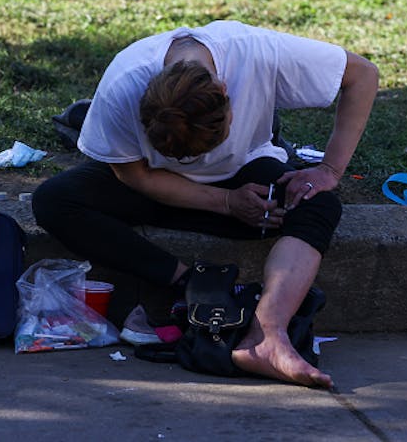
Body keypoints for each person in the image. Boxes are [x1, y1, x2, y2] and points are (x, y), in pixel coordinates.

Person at [32, 20, 378, 388]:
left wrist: (328, 168)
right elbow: (134, 176)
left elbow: (362, 75)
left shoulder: (257, 51)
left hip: (242, 172)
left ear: (225, 91)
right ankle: (190, 283)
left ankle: (266, 337)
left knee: (317, 204)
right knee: (54, 200)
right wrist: (225, 203)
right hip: (153, 183)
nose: (195, 162)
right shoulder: (123, 84)